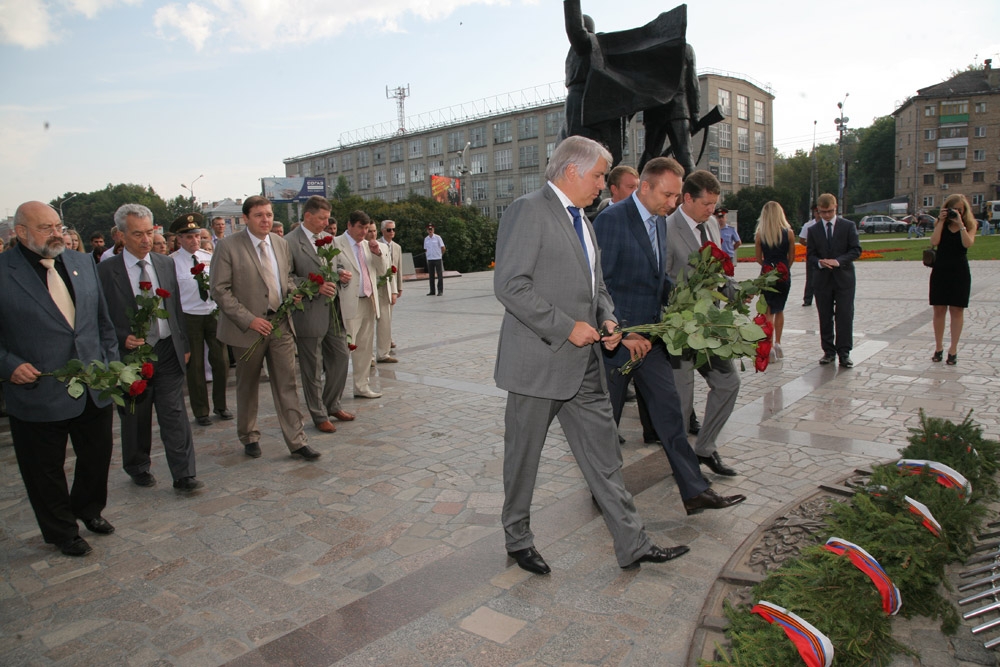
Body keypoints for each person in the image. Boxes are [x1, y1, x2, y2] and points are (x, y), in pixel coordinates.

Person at [494, 135, 689, 574]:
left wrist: (607, 318)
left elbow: (595, 284)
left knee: (604, 457)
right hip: (537, 363)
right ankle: (518, 539)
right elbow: (510, 285)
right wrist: (566, 326)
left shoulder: (584, 218)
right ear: (571, 171)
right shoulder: (529, 210)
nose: (604, 184)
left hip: (583, 366)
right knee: (523, 459)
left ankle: (632, 542)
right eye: (600, 175)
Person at [593, 157, 747, 515]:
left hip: (653, 340)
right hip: (619, 343)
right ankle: (602, 491)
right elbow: (598, 284)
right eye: (668, 194)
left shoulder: (660, 222)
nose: (674, 203)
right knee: (607, 421)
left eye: (678, 196)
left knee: (670, 416)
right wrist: (621, 331)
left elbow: (657, 278)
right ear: (645, 187)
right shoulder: (612, 221)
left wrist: (686, 301)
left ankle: (694, 491)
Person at [0, 201, 118, 556]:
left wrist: (110, 365)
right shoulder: (4, 272)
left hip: (93, 385)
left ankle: (88, 509)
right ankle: (61, 530)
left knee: (96, 456)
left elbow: (102, 323)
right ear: (20, 233)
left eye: (58, 225)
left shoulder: (82, 263)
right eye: (45, 228)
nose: (57, 234)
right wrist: (8, 365)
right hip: (38, 389)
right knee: (44, 469)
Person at [97, 204, 203, 492]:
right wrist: (122, 338)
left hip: (168, 350)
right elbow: (99, 316)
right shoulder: (106, 271)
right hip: (133, 359)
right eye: (137, 234)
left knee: (174, 413)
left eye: (150, 232)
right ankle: (137, 465)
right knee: (136, 417)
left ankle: (184, 474)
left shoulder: (164, 263)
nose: (145, 240)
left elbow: (175, 307)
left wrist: (183, 343)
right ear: (120, 235)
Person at [210, 195, 319, 461]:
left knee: (287, 384)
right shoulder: (228, 247)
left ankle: (297, 441)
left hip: (280, 324)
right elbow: (219, 290)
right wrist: (249, 319)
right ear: (246, 218)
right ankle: (249, 435)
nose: (265, 220)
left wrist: (293, 292)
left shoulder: (281, 244)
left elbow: (286, 280)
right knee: (247, 385)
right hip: (247, 330)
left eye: (269, 214)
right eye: (259, 215)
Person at [664, 170, 740, 477]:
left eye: (714, 204)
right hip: (682, 330)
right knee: (681, 402)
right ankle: (682, 465)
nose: (712, 211)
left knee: (728, 384)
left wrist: (732, 289)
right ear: (687, 198)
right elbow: (662, 279)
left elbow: (718, 265)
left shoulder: (710, 225)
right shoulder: (666, 230)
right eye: (706, 204)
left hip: (711, 325)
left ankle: (705, 448)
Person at [287, 196, 354, 432]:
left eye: (328, 218)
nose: (326, 223)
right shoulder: (290, 242)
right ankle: (318, 415)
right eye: (322, 218)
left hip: (334, 312)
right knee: (312, 367)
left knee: (340, 358)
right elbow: (287, 278)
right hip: (309, 314)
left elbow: (333, 266)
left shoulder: (327, 241)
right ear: (307, 216)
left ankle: (332, 403)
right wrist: (314, 287)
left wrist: (341, 273)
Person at [170, 212, 232, 427]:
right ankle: (201, 410)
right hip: (190, 317)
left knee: (221, 361)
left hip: (212, 313)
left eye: (197, 236)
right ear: (179, 239)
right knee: (195, 365)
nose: (194, 240)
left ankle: (221, 405)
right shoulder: (172, 263)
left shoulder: (208, 258)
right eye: (188, 237)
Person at [335, 210, 386, 398]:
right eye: (360, 227)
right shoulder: (336, 244)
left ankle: (361, 386)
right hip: (349, 304)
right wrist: (339, 273)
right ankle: (335, 392)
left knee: (364, 348)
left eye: (367, 228)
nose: (364, 232)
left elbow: (381, 271)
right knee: (344, 349)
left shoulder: (368, 246)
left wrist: (378, 253)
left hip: (368, 301)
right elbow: (330, 269)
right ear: (349, 225)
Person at [806, 193, 861, 367]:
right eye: (822, 212)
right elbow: (810, 255)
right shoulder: (813, 230)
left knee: (845, 315)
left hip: (844, 279)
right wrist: (820, 263)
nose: (826, 215)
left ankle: (844, 352)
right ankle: (828, 351)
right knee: (825, 315)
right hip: (822, 280)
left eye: (829, 211)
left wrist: (838, 261)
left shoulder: (848, 226)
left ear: (835, 207)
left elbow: (856, 250)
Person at [929, 194, 976, 365]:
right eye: (952, 209)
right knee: (939, 309)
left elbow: (967, 244)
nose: (955, 213)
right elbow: (934, 241)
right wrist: (941, 222)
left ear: (964, 211)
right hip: (941, 270)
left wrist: (961, 225)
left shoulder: (970, 224)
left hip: (960, 271)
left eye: (959, 210)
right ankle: (939, 346)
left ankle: (953, 349)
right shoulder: (940, 223)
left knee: (957, 310)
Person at [754, 201, 796, 360]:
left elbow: (759, 258)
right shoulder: (789, 233)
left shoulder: (760, 235)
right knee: (780, 309)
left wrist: (768, 268)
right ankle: (778, 343)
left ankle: (769, 346)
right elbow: (792, 257)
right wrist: (783, 268)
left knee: (768, 311)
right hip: (783, 274)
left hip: (766, 274)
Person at [372, 220, 399, 363]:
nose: (371, 233)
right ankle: (368, 357)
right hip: (370, 290)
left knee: (385, 322)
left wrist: (395, 290)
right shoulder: (362, 247)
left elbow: (392, 270)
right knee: (368, 326)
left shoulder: (384, 247)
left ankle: (383, 353)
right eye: (369, 231)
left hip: (385, 289)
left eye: (373, 231)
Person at [378, 219, 403, 360]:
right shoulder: (375, 244)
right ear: (382, 231)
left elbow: (398, 269)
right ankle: (382, 348)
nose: (392, 232)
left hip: (391, 287)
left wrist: (399, 287)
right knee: (380, 319)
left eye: (393, 229)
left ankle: (386, 344)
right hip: (379, 286)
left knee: (388, 318)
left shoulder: (397, 247)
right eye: (389, 230)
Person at [800, 205, 820, 306]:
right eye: (817, 212)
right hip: (813, 254)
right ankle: (807, 299)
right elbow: (801, 240)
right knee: (811, 277)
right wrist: (811, 244)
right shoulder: (808, 225)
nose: (819, 214)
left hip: (826, 254)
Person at [423, 224, 445, 296]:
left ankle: (440, 290)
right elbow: (426, 249)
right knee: (431, 276)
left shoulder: (438, 237)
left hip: (437, 258)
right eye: (429, 229)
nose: (430, 230)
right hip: (430, 259)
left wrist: (440, 255)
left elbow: (443, 247)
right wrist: (428, 256)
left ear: (433, 230)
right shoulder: (426, 239)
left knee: (439, 275)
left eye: (431, 229)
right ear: (427, 231)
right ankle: (432, 291)